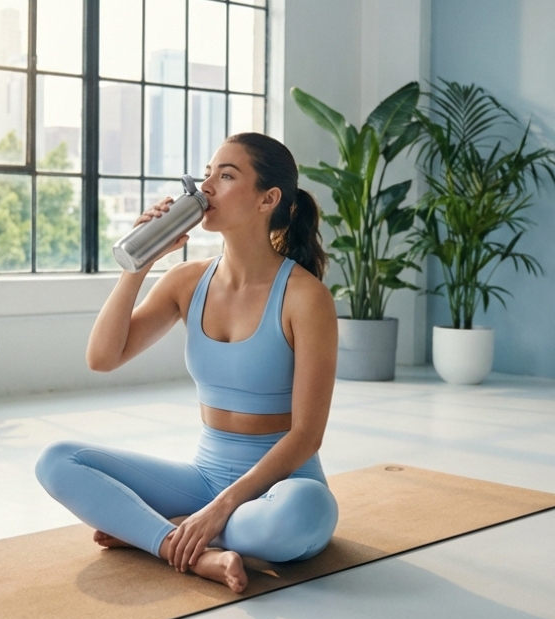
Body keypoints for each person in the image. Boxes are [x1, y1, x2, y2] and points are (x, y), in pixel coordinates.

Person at [34, 132, 338, 593]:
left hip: (282, 488)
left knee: (305, 514)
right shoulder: (186, 281)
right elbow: (102, 358)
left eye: (227, 175)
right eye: (207, 173)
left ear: (268, 199)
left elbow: (307, 435)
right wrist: (137, 264)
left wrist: (218, 510)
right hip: (203, 477)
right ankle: (191, 550)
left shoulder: (305, 297)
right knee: (57, 461)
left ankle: (164, 532)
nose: (206, 186)